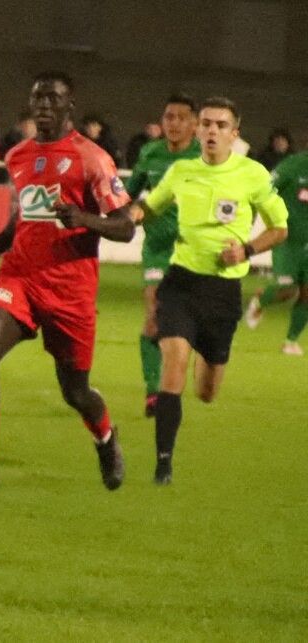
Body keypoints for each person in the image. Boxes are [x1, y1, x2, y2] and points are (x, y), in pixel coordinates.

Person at [0, 71, 134, 494]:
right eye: (38, 100)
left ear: (70, 106)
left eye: (54, 100)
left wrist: (84, 219)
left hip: (71, 290)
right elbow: (23, 219)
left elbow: (125, 227)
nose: (45, 107)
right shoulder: (18, 155)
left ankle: (106, 440)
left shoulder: (93, 158)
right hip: (20, 276)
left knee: (75, 391)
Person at [132, 97, 288, 485]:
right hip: (181, 283)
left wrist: (247, 249)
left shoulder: (252, 175)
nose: (212, 131)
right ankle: (163, 462)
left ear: (234, 134)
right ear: (198, 130)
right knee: (174, 366)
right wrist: (125, 216)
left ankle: (210, 352)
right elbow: (148, 208)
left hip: (223, 293)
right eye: (207, 124)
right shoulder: (181, 172)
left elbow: (280, 227)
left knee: (206, 392)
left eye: (221, 125)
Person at [125, 94, 200, 417]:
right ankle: (154, 391)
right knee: (154, 315)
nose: (174, 123)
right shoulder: (150, 153)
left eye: (182, 118)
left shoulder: (206, 157)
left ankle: (176, 381)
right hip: (157, 249)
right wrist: (126, 213)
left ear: (195, 125)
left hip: (194, 251)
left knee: (185, 327)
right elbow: (127, 195)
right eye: (169, 117)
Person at [246, 148, 308, 356]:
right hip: (288, 240)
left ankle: (290, 341)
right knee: (287, 289)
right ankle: (261, 300)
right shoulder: (292, 166)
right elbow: (264, 190)